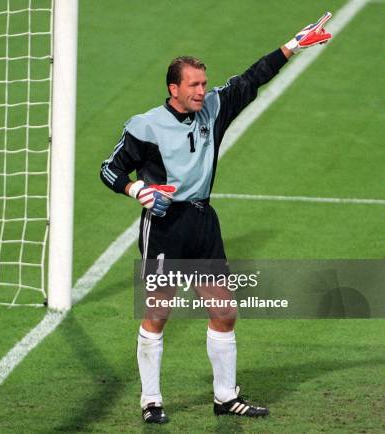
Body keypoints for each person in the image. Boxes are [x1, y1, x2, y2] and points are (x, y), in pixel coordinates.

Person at [99, 13, 333, 424]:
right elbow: (110, 168)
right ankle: (151, 400)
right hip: (166, 226)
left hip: (203, 222)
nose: (202, 91)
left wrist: (292, 47)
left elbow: (250, 78)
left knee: (224, 311)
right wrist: (137, 189)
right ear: (174, 88)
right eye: (194, 85)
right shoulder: (145, 126)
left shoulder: (214, 109)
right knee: (158, 311)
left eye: (204, 84)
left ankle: (225, 397)